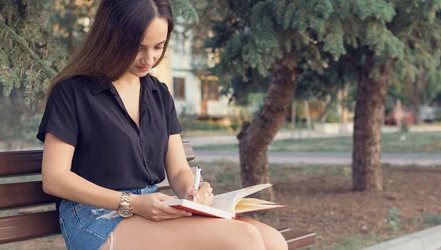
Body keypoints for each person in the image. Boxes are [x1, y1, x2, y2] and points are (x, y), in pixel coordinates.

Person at [37, 0, 288, 249]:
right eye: (138, 47)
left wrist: (192, 190)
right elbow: (54, 178)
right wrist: (132, 203)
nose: (150, 58)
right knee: (244, 240)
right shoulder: (71, 92)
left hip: (154, 207)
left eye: (159, 46)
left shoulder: (158, 93)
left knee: (273, 241)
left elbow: (178, 170)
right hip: (95, 216)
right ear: (111, 37)